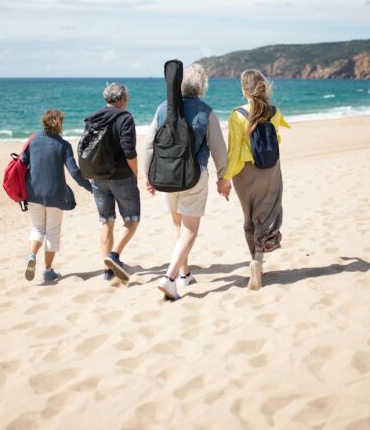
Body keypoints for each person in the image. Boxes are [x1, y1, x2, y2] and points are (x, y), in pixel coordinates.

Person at [142, 64, 228, 301]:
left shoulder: (163, 109)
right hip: (194, 176)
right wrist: (223, 177)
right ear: (202, 86)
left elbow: (149, 144)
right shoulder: (206, 112)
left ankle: (184, 274)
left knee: (177, 227)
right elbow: (219, 149)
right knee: (190, 231)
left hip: (167, 178)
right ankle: (169, 279)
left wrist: (148, 176)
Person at [217, 69, 290, 291]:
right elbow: (277, 136)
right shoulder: (274, 112)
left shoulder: (237, 115)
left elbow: (234, 151)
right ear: (263, 87)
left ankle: (254, 260)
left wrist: (225, 179)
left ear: (243, 90)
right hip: (269, 169)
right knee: (266, 215)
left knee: (249, 217)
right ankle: (258, 259)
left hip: (244, 174)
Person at [21, 109, 93, 283]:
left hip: (33, 192)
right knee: (52, 232)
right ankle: (47, 271)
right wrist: (90, 187)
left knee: (38, 228)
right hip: (55, 195)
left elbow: (22, 162)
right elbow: (74, 172)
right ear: (59, 123)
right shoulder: (63, 145)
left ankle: (32, 255)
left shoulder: (33, 140)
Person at [84, 83, 140, 282]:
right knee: (132, 220)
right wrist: (136, 172)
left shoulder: (93, 118)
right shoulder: (125, 118)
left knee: (106, 221)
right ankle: (114, 256)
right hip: (121, 177)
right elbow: (129, 150)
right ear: (122, 99)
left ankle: (107, 271)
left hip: (97, 177)